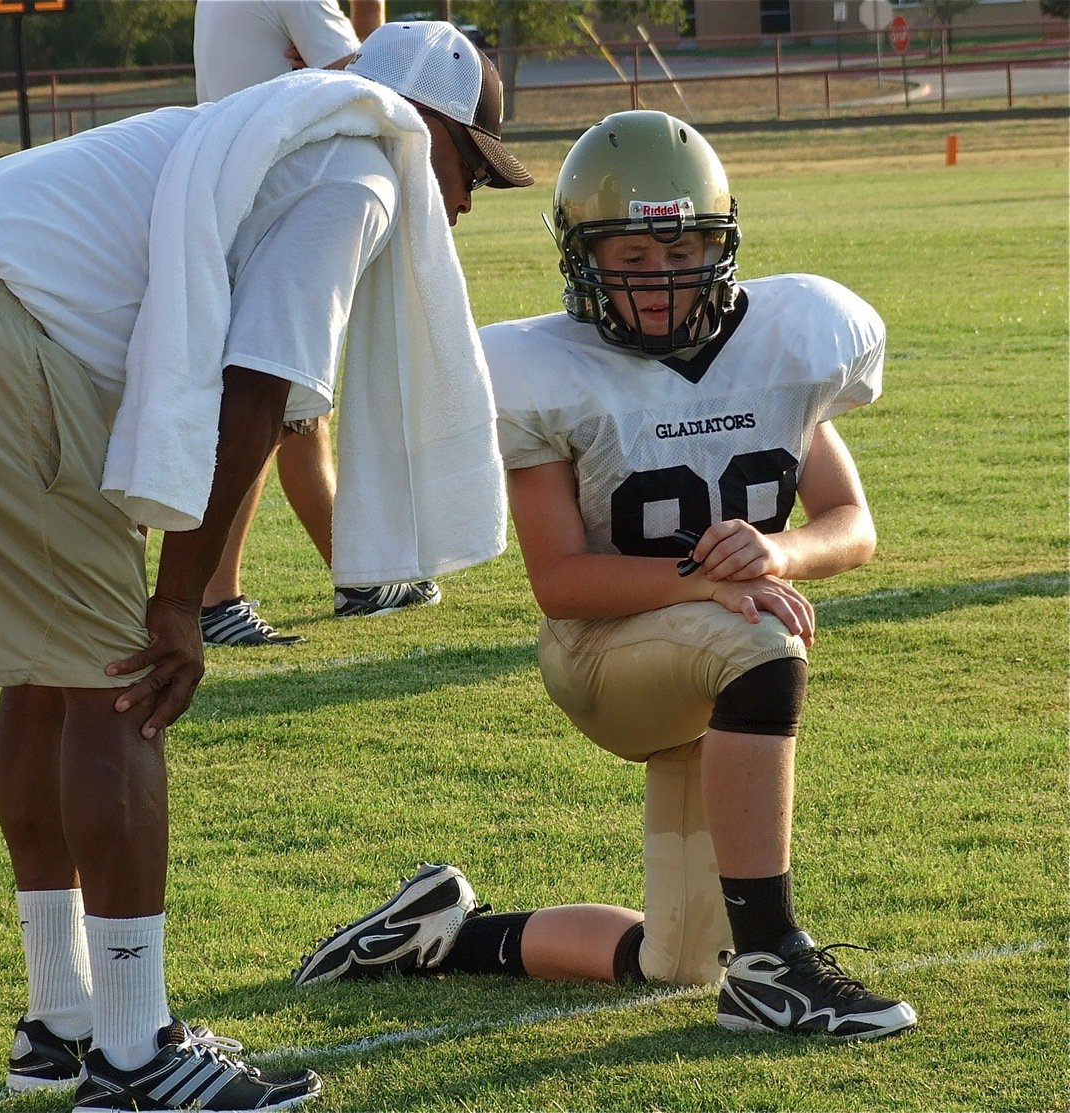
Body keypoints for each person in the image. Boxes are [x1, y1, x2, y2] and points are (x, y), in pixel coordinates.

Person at [0, 21, 531, 1111]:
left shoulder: (265, 126)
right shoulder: (362, 164)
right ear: (429, 129)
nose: (463, 203)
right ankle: (133, 1058)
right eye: (472, 168)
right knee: (124, 676)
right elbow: (258, 385)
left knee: (50, 672)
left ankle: (61, 1026)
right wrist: (180, 603)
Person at [291, 111, 918, 1043]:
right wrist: (708, 581)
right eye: (632, 252)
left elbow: (852, 524)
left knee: (673, 958)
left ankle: (439, 937)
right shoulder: (543, 370)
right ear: (584, 257)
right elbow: (563, 583)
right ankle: (775, 964)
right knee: (761, 642)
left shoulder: (788, 341)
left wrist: (778, 552)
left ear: (723, 243)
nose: (659, 280)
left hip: (712, 660)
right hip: (606, 656)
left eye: (683, 252)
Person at [194, 0, 441, 647]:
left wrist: (349, 59)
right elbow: (378, 99)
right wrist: (361, 41)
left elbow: (350, 76)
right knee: (268, 397)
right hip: (287, 200)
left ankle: (358, 575)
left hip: (248, 194)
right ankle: (213, 596)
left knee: (300, 412)